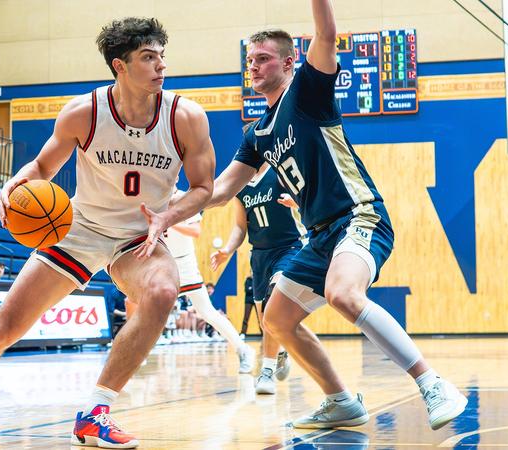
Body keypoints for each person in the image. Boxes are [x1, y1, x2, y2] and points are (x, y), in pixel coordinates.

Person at [0, 17, 215, 450]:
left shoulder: (185, 117)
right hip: (81, 228)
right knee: (2, 330)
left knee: (163, 292)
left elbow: (204, 188)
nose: (161, 66)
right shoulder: (83, 113)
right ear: (119, 66)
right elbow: (42, 168)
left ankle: (95, 412)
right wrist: (16, 182)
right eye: (148, 57)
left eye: (162, 56)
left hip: (139, 235)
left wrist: (168, 216)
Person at [207, 1, 466, 430]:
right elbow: (219, 191)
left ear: (290, 62)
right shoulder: (256, 133)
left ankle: (433, 383)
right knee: (275, 318)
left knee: (343, 294)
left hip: (360, 216)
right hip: (321, 235)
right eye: (249, 60)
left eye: (263, 58)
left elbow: (326, 34)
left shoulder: (307, 90)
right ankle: (341, 401)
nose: (253, 67)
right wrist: (168, 206)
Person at [210, 160, 305, 394]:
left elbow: (309, 199)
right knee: (266, 320)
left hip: (288, 248)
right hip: (260, 256)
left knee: (276, 301)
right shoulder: (242, 186)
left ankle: (267, 371)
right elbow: (240, 227)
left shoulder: (279, 172)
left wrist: (297, 203)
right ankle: (280, 351)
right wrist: (227, 251)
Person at [162, 198, 254, 372]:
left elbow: (195, 231)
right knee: (144, 307)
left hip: (184, 263)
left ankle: (242, 349)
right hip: (162, 262)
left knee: (207, 312)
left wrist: (168, 222)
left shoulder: (185, 198)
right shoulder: (155, 197)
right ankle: (134, 356)